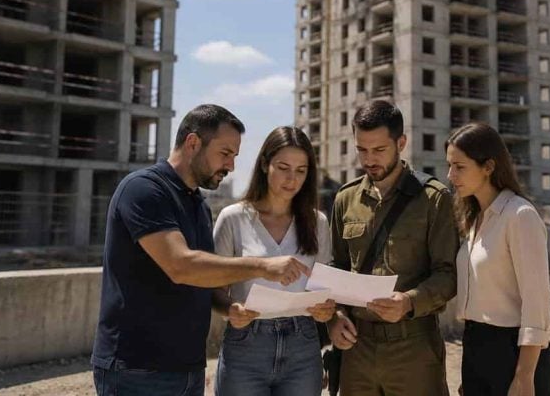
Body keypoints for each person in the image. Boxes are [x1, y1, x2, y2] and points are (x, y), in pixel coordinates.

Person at [92, 104, 310, 396]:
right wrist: (263, 266)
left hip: (187, 368)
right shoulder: (143, 190)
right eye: (225, 153)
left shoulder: (198, 205)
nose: (231, 166)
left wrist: (229, 308)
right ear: (193, 143)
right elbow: (181, 266)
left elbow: (206, 282)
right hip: (137, 369)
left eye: (235, 156)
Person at [327, 100, 459, 396]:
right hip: (357, 348)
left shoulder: (433, 199)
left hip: (413, 346)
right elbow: (337, 269)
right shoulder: (345, 199)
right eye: (362, 149)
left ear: (401, 143)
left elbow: (448, 275)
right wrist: (335, 319)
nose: (369, 159)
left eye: (379, 150)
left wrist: (409, 302)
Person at [212, 126, 336, 395]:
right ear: (265, 164)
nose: (292, 179)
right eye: (283, 167)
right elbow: (213, 286)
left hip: (303, 344)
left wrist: (327, 310)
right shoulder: (233, 218)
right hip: (246, 345)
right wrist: (230, 309)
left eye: (301, 170)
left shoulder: (318, 223)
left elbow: (323, 290)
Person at [445, 122, 550, 396]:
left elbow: (536, 302)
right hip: (476, 348)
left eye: (460, 167)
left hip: (514, 355)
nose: (450, 175)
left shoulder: (520, 216)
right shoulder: (475, 220)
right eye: (449, 165)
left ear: (489, 167)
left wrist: (524, 376)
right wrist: (473, 368)